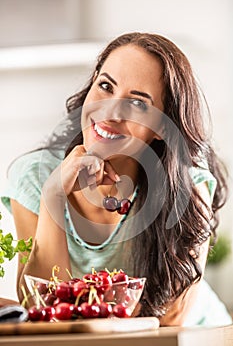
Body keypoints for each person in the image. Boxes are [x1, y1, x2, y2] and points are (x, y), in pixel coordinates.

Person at [1, 32, 232, 326]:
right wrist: (54, 195)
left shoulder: (188, 184)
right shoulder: (36, 175)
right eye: (106, 86)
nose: (110, 112)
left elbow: (173, 317)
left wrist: (84, 315)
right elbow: (42, 308)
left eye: (137, 104)